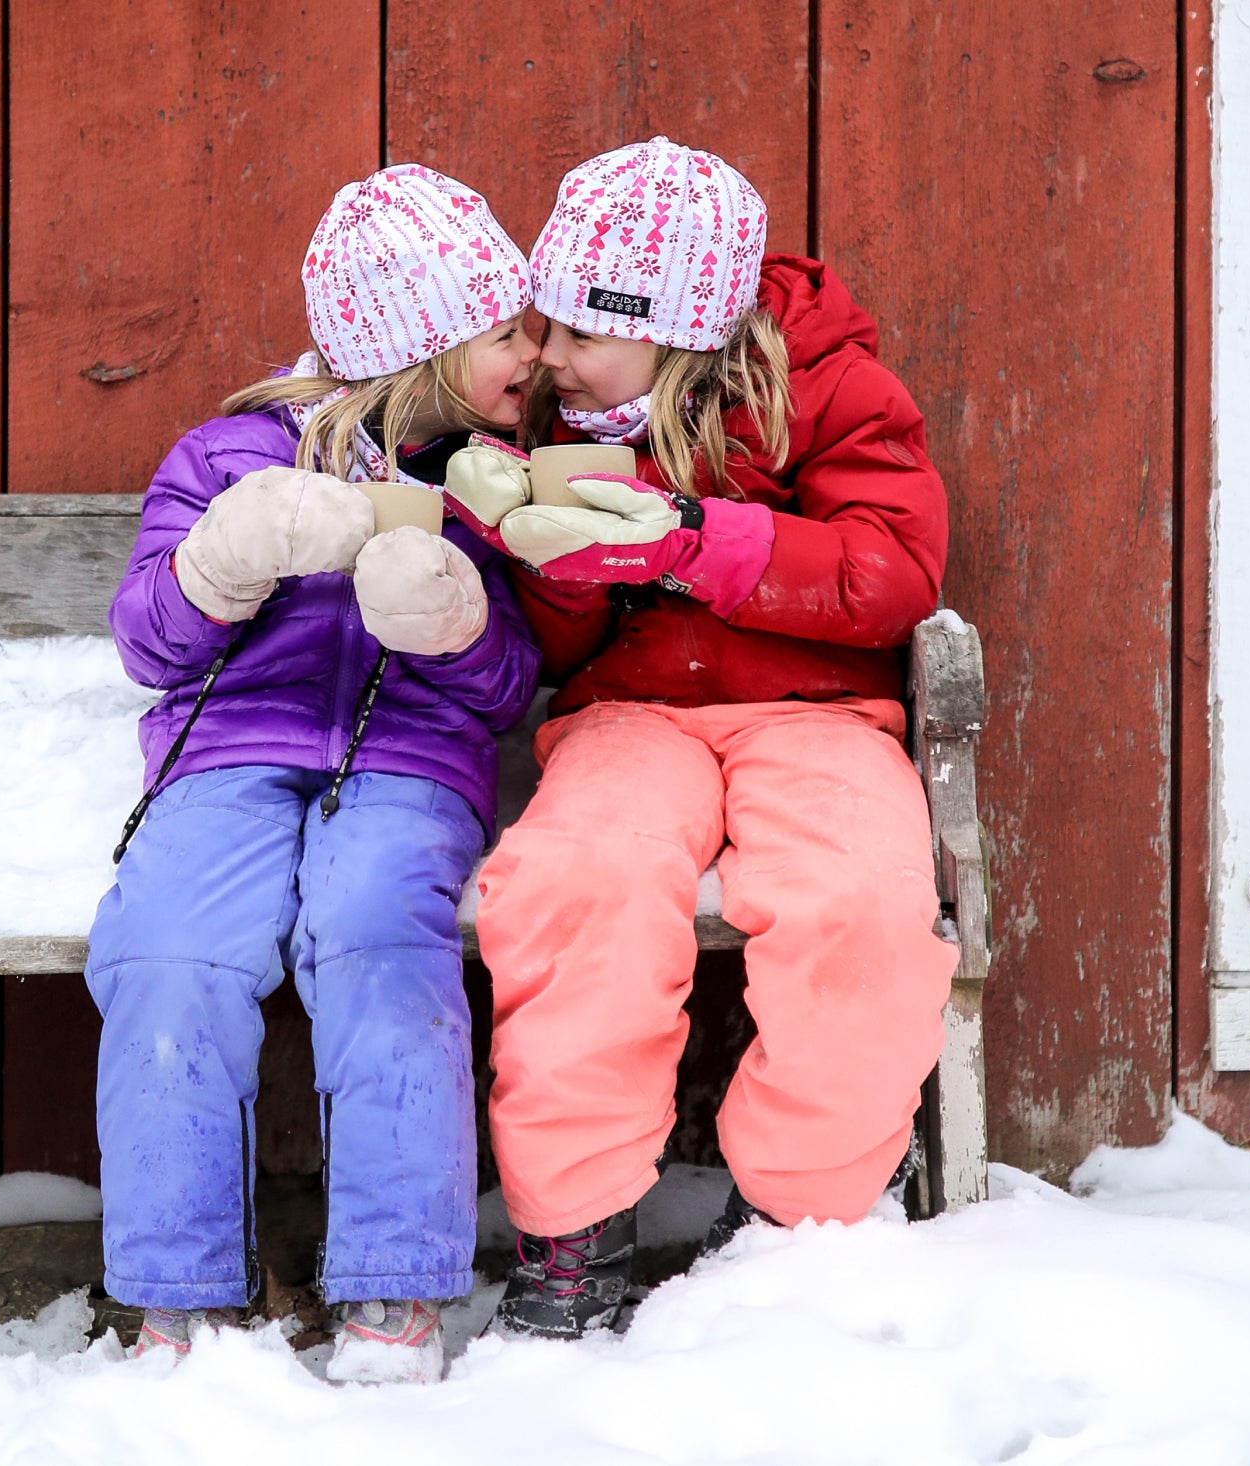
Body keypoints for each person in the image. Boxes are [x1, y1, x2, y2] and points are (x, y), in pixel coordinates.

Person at [443, 136, 960, 1339]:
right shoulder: (552, 414)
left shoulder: (825, 387)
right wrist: (553, 562)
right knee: (575, 882)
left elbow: (892, 570)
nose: (547, 355)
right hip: (627, 717)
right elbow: (558, 656)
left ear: (677, 328)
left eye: (579, 330)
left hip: (815, 715)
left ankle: (804, 1211)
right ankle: (572, 1228)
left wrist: (687, 541)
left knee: (858, 903)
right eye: (543, 323)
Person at [85, 164, 541, 1383]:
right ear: (423, 345)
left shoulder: (492, 483)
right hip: (224, 758)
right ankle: (181, 1296)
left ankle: (394, 1286)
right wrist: (222, 563)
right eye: (507, 328)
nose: (535, 351)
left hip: (406, 763)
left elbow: (506, 690)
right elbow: (147, 642)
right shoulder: (224, 451)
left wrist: (455, 623)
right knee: (170, 949)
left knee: (374, 933)